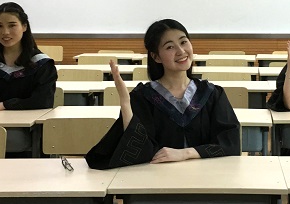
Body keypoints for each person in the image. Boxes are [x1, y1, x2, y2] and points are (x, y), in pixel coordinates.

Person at [85, 18, 240, 169]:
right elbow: (140, 152)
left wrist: (186, 153)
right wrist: (126, 103)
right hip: (158, 180)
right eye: (170, 47)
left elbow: (230, 143)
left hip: (207, 178)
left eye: (183, 42)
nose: (181, 51)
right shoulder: (144, 97)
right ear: (156, 57)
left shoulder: (211, 94)